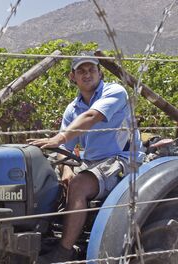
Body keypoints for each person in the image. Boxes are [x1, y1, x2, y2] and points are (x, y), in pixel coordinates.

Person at [27, 53, 144, 263]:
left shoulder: (115, 92)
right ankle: (41, 235)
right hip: (91, 163)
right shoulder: (72, 109)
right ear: (72, 77)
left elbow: (91, 117)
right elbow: (65, 148)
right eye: (81, 70)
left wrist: (60, 136)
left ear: (100, 73)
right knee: (43, 178)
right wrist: (66, 169)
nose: (87, 74)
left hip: (124, 159)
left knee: (79, 185)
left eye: (91, 69)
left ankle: (64, 252)